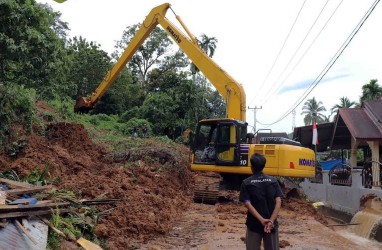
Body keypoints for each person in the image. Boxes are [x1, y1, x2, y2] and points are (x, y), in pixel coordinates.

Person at [239, 153, 283, 250]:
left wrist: (261, 220)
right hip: (271, 226)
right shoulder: (273, 181)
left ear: (251, 167)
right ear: (264, 166)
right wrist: (271, 221)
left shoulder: (246, 183)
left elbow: (247, 203)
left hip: (253, 225)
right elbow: (278, 202)